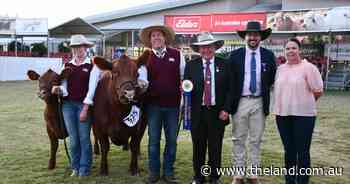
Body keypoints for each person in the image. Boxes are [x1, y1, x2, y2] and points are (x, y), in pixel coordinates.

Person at [222, 21, 277, 184]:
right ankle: (238, 174)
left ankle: (253, 174)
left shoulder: (268, 56)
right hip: (240, 102)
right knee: (238, 138)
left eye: (256, 34)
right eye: (250, 34)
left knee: (256, 140)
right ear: (245, 37)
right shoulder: (235, 56)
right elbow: (230, 83)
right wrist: (228, 105)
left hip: (259, 101)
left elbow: (272, 78)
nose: (253, 37)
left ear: (261, 37)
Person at [272, 38, 323, 184]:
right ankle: (289, 180)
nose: (291, 51)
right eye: (287, 49)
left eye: (294, 48)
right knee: (289, 151)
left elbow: (318, 91)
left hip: (303, 116)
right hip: (282, 115)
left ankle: (302, 181)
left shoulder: (309, 68)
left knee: (303, 152)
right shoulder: (280, 69)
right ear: (284, 51)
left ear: (299, 50)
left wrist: (303, 103)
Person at [139, 25, 185, 184]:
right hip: (153, 106)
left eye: (159, 35)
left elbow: (184, 78)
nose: (156, 38)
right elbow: (143, 79)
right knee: (153, 141)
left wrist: (185, 93)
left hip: (173, 106)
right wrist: (141, 84)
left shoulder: (178, 55)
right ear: (150, 40)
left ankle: (168, 172)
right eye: (153, 36)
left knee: (171, 140)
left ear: (165, 38)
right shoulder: (145, 57)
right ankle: (154, 172)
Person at [51, 34, 101, 177]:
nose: (77, 50)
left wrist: (85, 108)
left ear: (85, 47)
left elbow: (92, 89)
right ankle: (75, 167)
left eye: (80, 46)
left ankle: (84, 168)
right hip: (68, 105)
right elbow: (63, 85)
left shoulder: (92, 65)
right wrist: (59, 89)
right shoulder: (67, 65)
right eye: (74, 47)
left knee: (84, 138)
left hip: (83, 105)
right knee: (73, 139)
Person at [184, 32, 230, 184]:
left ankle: (214, 177)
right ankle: (198, 176)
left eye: (209, 46)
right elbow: (186, 87)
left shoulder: (225, 64)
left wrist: (226, 109)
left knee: (215, 147)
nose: (206, 50)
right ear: (199, 50)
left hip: (218, 113)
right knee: (198, 146)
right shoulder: (191, 66)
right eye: (203, 47)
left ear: (215, 47)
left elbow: (231, 89)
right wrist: (184, 89)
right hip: (197, 113)